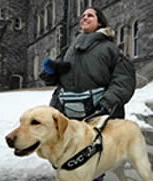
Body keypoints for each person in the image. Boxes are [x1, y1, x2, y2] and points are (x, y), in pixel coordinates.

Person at [40, 7, 136, 181]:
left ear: (99, 22)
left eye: (90, 15)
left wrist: (106, 103)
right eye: (83, 16)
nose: (84, 18)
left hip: (96, 114)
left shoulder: (110, 49)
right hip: (67, 113)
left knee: (93, 163)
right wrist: (51, 71)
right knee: (67, 159)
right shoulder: (69, 49)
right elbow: (54, 80)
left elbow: (123, 80)